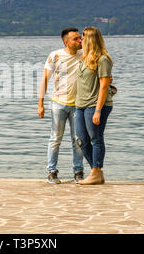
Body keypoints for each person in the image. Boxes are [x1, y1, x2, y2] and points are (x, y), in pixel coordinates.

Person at [38, 27, 85, 184]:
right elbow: (44, 79)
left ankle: (78, 172)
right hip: (58, 104)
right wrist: (40, 104)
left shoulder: (84, 53)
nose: (80, 41)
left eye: (80, 38)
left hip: (78, 105)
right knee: (55, 139)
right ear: (67, 42)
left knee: (78, 140)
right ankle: (52, 172)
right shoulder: (55, 56)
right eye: (76, 39)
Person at [75, 27, 113, 185]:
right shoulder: (83, 59)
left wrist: (98, 110)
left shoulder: (103, 60)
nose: (80, 41)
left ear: (90, 40)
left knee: (96, 138)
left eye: (82, 38)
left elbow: (104, 86)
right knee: (81, 140)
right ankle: (96, 172)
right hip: (81, 105)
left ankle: (96, 171)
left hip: (96, 105)